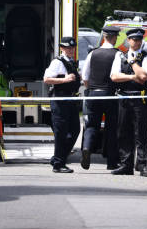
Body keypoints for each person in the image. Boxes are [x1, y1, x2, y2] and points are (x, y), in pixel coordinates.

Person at [110, 28, 147, 176]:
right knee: (123, 132)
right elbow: (114, 77)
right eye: (134, 39)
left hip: (139, 98)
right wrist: (132, 77)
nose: (137, 42)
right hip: (123, 98)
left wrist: (133, 61)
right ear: (128, 41)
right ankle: (125, 164)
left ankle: (141, 164)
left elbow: (144, 76)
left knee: (140, 133)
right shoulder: (119, 56)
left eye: (139, 39)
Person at [80, 25, 121, 170]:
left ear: (104, 37)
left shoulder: (93, 53)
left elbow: (85, 76)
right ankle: (111, 162)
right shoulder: (117, 54)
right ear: (114, 38)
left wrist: (90, 88)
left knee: (91, 125)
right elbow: (115, 75)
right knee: (111, 128)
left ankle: (87, 148)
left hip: (93, 94)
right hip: (109, 95)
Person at [43, 37, 81, 173]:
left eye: (72, 48)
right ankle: (58, 164)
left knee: (75, 130)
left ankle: (58, 158)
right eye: (67, 48)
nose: (70, 50)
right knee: (61, 133)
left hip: (71, 100)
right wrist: (65, 80)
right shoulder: (57, 62)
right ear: (62, 48)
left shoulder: (71, 62)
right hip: (60, 100)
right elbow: (46, 79)